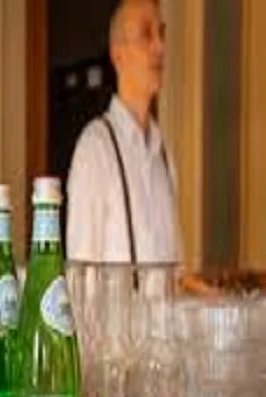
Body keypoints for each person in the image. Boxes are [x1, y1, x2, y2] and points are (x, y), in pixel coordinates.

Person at [66, 0, 179, 266]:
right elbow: (82, 273)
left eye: (161, 33)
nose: (160, 47)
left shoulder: (164, 155)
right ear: (118, 55)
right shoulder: (95, 148)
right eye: (146, 34)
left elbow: (176, 267)